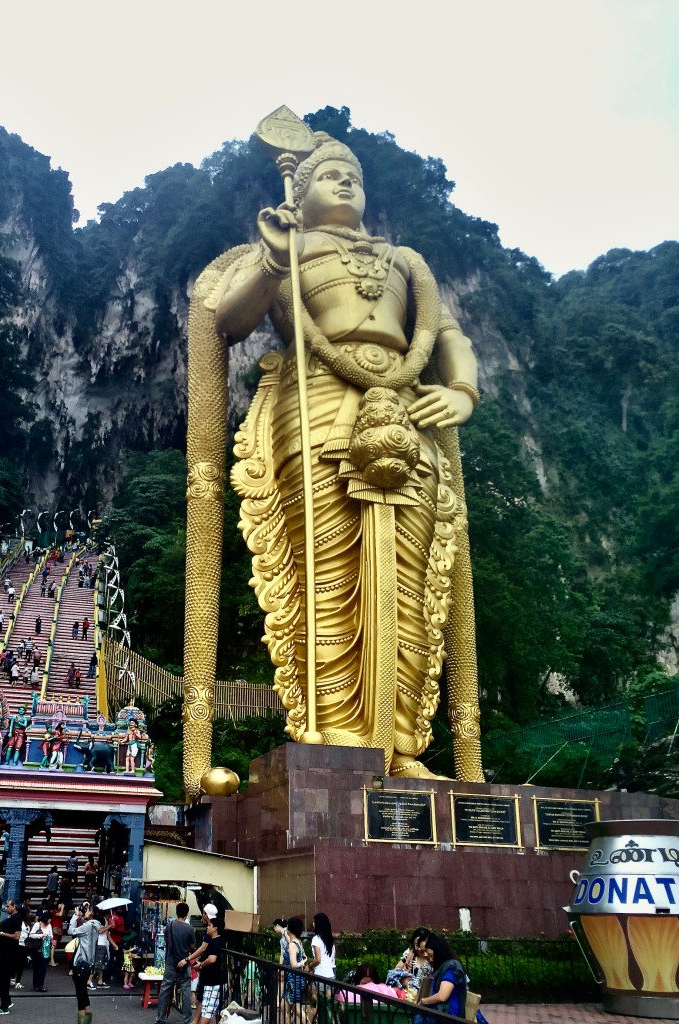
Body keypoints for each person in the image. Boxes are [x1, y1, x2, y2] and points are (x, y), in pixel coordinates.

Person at [185, 125, 484, 784]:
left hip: (406, 414)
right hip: (315, 406)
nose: (345, 182)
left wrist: (462, 390)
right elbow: (226, 321)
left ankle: (401, 745)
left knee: (410, 583)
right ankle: (339, 730)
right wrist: (272, 259)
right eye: (328, 175)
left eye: (353, 175)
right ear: (300, 190)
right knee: (327, 573)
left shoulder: (405, 260)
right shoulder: (288, 247)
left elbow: (447, 335)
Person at [155, 901, 195, 1024]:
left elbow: (166, 940)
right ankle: (186, 1020)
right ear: (187, 914)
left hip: (170, 962)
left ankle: (160, 1018)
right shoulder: (190, 928)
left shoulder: (169, 925)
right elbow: (192, 946)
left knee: (165, 990)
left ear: (177, 913)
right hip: (184, 962)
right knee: (186, 991)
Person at [414, 934, 467, 1021]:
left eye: (431, 955)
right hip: (439, 1012)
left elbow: (442, 996)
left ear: (438, 951)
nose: (429, 959)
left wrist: (424, 1001)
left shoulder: (451, 967)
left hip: (449, 1015)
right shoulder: (442, 968)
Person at [189, 915, 226, 1024]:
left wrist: (200, 965)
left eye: (210, 925)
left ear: (215, 928)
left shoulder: (217, 941)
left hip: (213, 982)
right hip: (210, 982)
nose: (207, 927)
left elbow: (211, 959)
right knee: (205, 1010)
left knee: (207, 1013)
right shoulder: (214, 941)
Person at [70, 904, 101, 1024]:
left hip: (80, 963)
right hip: (89, 963)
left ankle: (82, 1021)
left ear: (92, 913)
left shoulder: (87, 926)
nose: (85, 911)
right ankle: (87, 1020)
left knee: (80, 994)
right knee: (84, 992)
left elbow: (71, 931)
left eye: (88, 910)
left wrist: (75, 916)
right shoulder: (96, 925)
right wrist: (82, 916)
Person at [0, 899, 22, 1015]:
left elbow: (17, 936)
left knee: (1, 978)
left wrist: (1, 933)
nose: (6, 908)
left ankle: (4, 1005)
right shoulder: (12, 918)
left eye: (8, 906)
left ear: (14, 906)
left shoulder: (16, 918)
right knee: (0, 977)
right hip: (5, 951)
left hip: (8, 953)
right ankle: (6, 1001)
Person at [309, 913, 337, 1024]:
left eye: (314, 922)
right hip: (330, 976)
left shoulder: (316, 939)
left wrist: (309, 966)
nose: (313, 924)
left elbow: (318, 959)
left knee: (314, 1006)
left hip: (319, 976)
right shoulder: (330, 940)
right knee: (329, 1007)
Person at [282, 917, 308, 1023]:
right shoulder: (297, 942)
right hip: (295, 979)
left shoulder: (292, 945)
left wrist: (303, 961)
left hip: (292, 981)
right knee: (286, 1007)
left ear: (290, 928)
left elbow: (294, 964)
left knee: (296, 1009)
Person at [396, 927, 434, 998]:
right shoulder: (409, 955)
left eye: (420, 944)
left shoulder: (432, 958)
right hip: (407, 996)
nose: (418, 948)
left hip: (426, 996)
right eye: (416, 944)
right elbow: (396, 972)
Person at [31, 910, 53, 991]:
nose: (50, 920)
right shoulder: (37, 924)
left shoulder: (49, 926)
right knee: (36, 968)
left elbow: (51, 936)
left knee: (43, 968)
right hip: (37, 948)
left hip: (45, 948)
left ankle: (40, 985)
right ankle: (35, 985)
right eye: (49, 918)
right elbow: (31, 935)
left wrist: (49, 939)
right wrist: (41, 935)